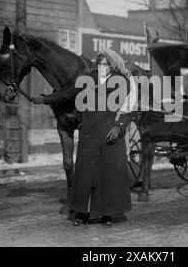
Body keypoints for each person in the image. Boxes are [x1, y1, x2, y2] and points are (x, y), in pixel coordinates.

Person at [32, 48, 133, 227]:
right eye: (99, 63)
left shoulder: (122, 81)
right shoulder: (88, 78)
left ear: (112, 65)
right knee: (85, 175)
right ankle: (80, 213)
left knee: (107, 175)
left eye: (105, 63)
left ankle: (107, 214)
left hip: (109, 133)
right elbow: (68, 92)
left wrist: (118, 128)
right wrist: (46, 99)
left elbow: (127, 110)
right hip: (89, 132)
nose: (102, 66)